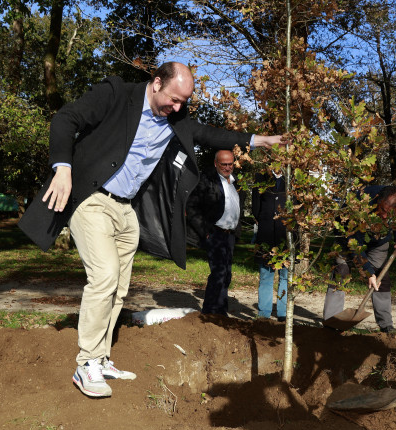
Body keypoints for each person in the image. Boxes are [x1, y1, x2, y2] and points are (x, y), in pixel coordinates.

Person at [18, 62, 285, 398]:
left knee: (119, 287)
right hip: (93, 199)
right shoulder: (117, 94)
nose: (177, 108)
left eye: (182, 103)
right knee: (104, 276)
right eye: (173, 99)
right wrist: (62, 168)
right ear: (157, 82)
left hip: (126, 210)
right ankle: (86, 363)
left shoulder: (176, 116)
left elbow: (210, 133)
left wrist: (258, 140)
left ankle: (101, 358)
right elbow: (66, 118)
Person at [322, 185, 396, 333]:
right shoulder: (361, 202)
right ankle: (331, 321)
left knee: (382, 278)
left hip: (378, 242)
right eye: (382, 210)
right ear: (377, 202)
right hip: (348, 238)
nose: (386, 216)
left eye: (390, 212)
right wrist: (368, 272)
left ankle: (386, 324)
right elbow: (355, 245)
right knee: (340, 273)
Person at [185, 150, 245, 315]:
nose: (227, 167)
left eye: (230, 164)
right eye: (223, 164)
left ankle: (221, 311)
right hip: (215, 233)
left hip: (230, 235)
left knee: (226, 274)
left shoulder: (235, 182)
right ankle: (210, 312)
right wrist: (205, 231)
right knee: (218, 272)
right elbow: (191, 207)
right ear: (215, 164)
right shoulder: (206, 181)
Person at [251, 170, 289, 321]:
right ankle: (264, 314)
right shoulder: (261, 178)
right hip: (266, 235)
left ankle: (283, 314)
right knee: (266, 276)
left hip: (286, 237)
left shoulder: (291, 177)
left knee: (285, 277)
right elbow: (256, 207)